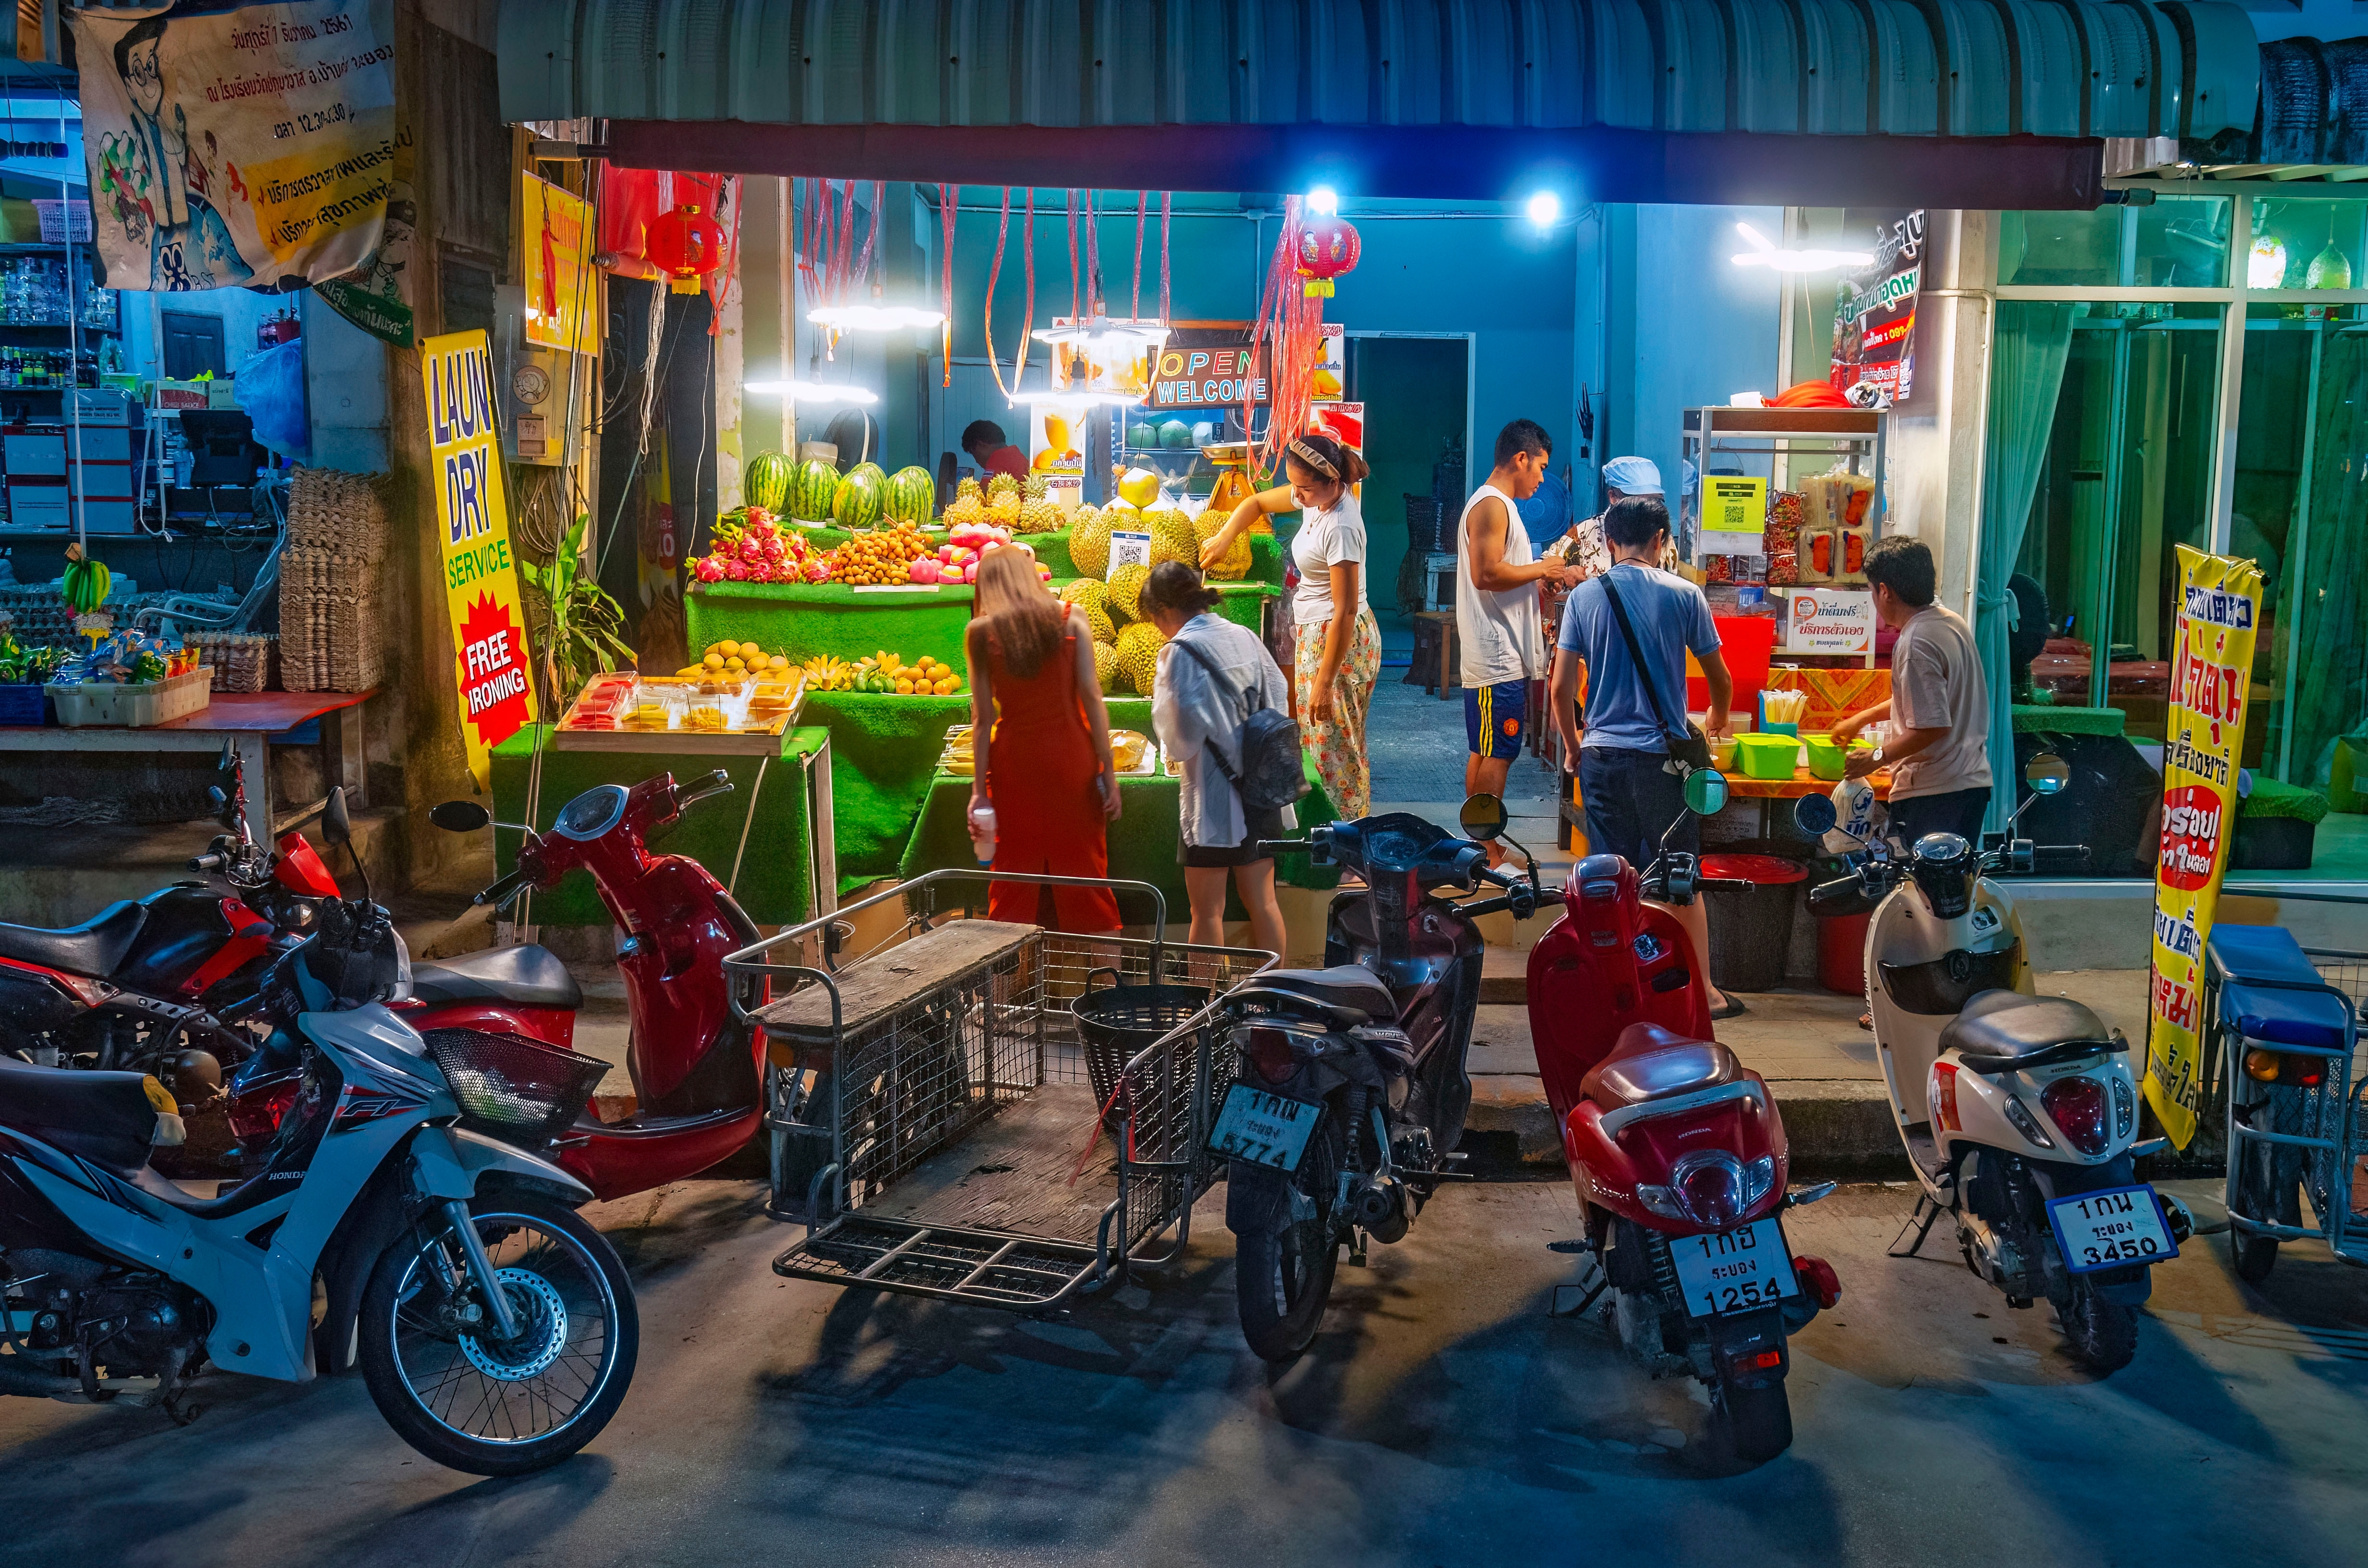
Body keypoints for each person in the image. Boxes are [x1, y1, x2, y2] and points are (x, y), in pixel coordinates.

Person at [1550, 493, 1738, 1012]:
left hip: (1601, 758)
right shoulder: (1684, 595)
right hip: (1662, 761)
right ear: (1661, 541)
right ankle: (1702, 992)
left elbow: (1560, 685)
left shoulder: (1585, 598)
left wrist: (1572, 746)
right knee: (1679, 874)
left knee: (1607, 876)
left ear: (1609, 542)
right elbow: (1719, 677)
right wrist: (1716, 719)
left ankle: (1610, 984)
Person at [1199, 431, 1380, 821]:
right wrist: (1226, 536)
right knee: (1320, 741)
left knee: (1337, 746)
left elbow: (1346, 611)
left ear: (1333, 483)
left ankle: (1350, 842)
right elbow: (1257, 501)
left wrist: (1325, 681)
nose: (1298, 496)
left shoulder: (1342, 526)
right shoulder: (1315, 496)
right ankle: (1335, 836)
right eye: (1294, 486)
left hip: (1340, 640)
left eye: (1305, 489)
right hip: (1318, 633)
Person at [963, 545, 1122, 933]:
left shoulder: (980, 633)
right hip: (1073, 760)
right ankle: (1108, 987)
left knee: (1013, 880)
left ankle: (1003, 992)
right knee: (1088, 878)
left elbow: (984, 721)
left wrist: (979, 793)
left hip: (1015, 765)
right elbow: (1093, 697)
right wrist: (1109, 770)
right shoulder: (1072, 618)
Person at [1142, 561, 1293, 954]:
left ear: (1164, 611)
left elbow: (1179, 742)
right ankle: (1271, 999)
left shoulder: (1178, 653)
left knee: (1207, 913)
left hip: (1212, 799)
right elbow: (1278, 692)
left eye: (1157, 620)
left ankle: (1206, 1007)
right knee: (1263, 903)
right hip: (1261, 789)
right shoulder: (1244, 635)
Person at [1456, 419, 1580, 821]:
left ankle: (1479, 845)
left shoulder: (1499, 506)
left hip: (1496, 652)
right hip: (1497, 655)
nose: (1543, 478)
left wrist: (1540, 580)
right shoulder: (1492, 505)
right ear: (1521, 458)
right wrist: (1543, 569)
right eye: (1541, 467)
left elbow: (1504, 574)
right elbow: (1486, 574)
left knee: (1486, 751)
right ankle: (1489, 851)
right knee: (1500, 755)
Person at [1832, 535, 1992, 845]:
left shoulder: (1916, 641)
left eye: (1872, 591)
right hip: (1969, 785)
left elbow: (1933, 727)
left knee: (1924, 891)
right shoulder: (1950, 622)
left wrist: (1877, 756)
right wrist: (1861, 718)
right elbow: (1926, 700)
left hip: (1936, 793)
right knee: (1953, 888)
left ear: (1884, 591)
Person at [960, 419, 1030, 483]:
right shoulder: (1017, 455)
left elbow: (985, 491)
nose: (977, 461)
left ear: (981, 444)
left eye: (974, 454)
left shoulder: (997, 459)